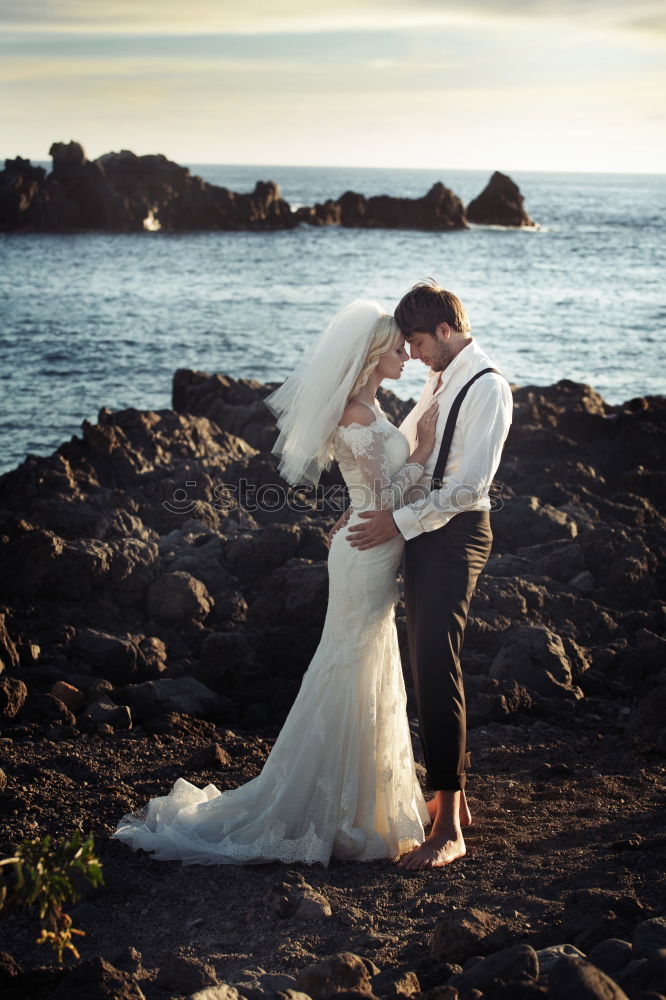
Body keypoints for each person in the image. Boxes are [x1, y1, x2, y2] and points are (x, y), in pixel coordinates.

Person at [111, 299, 441, 865]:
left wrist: (355, 504)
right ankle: (339, 809)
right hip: (366, 551)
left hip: (365, 541)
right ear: (371, 355)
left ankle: (366, 803)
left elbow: (367, 487)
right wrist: (427, 448)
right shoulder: (358, 415)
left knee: (364, 662)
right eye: (395, 348)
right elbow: (389, 495)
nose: (405, 355)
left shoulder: (365, 407)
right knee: (352, 665)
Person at [339, 280, 513, 870]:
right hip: (421, 528)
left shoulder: (487, 386)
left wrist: (398, 522)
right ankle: (454, 805)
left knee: (437, 667)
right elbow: (413, 446)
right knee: (427, 664)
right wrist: (367, 505)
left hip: (456, 534)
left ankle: (447, 835)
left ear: (444, 331)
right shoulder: (441, 377)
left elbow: (469, 487)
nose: (409, 354)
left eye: (415, 341)